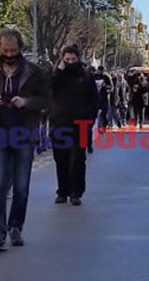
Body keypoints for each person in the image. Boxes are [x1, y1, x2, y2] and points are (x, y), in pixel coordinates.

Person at [0, 28, 48, 251]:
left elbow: (45, 100)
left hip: (24, 135)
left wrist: (25, 103)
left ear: (20, 49)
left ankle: (16, 226)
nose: (9, 54)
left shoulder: (33, 72)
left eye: (13, 50)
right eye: (5, 50)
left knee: (21, 186)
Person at [50, 45, 99, 206]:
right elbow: (48, 88)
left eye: (73, 59)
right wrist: (59, 71)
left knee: (78, 159)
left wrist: (90, 118)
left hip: (81, 124)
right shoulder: (56, 74)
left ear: (78, 58)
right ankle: (62, 191)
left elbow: (94, 99)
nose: (70, 62)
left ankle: (76, 192)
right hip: (60, 123)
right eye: (67, 59)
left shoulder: (85, 75)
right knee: (61, 159)